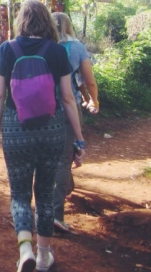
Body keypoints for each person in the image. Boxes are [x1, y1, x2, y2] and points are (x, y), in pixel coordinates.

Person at [0, 0, 86, 272]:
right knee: (43, 194)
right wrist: (78, 138)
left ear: (22, 21)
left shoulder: (8, 49)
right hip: (52, 130)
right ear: (46, 22)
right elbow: (67, 98)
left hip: (16, 130)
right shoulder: (57, 51)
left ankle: (25, 249)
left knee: (19, 194)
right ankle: (43, 257)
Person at [51, 12, 99, 233]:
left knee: (49, 154)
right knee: (64, 157)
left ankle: (65, 188)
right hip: (67, 108)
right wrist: (93, 100)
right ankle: (55, 214)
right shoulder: (76, 47)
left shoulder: (43, 45)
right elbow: (87, 79)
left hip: (40, 109)